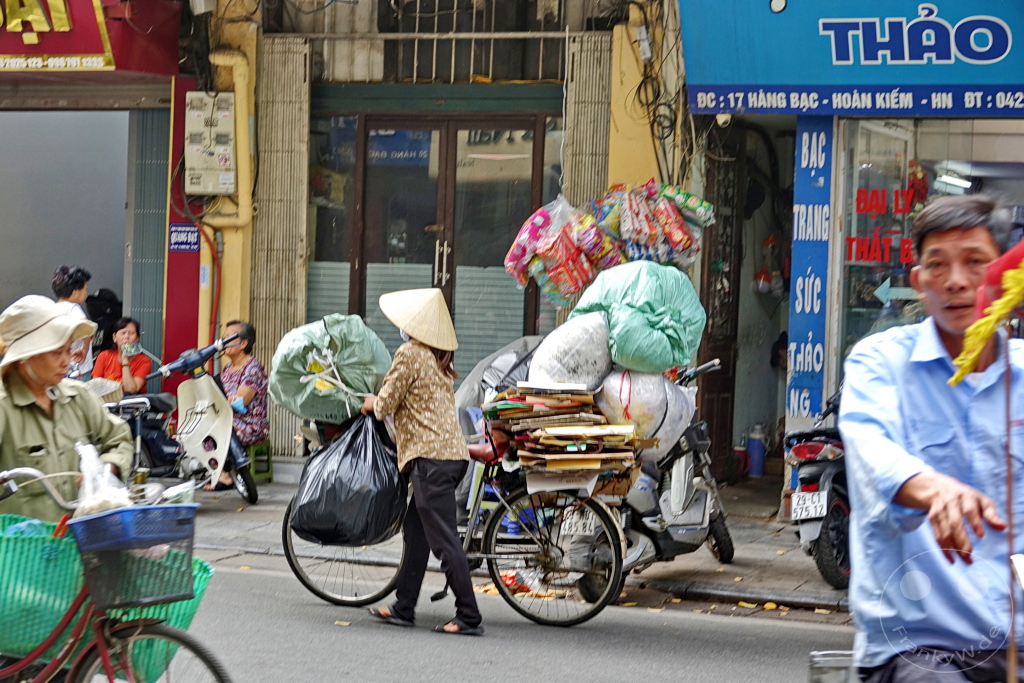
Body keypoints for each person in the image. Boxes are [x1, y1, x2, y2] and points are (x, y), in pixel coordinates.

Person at [838, 195, 1024, 681]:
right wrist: (935, 488)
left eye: (975, 262)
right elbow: (872, 450)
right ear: (919, 282)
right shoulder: (878, 363)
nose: (957, 281)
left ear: (1003, 277)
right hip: (919, 648)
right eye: (938, 265)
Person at [362, 288, 484, 636]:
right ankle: (404, 607)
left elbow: (385, 405)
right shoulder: (438, 357)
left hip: (430, 459)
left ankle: (469, 616)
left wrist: (370, 402)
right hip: (448, 457)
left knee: (445, 541)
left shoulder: (410, 353)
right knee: (416, 533)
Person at [0, 295, 133, 523]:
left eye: (67, 350)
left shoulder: (78, 396)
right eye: (55, 352)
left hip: (77, 544)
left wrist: (106, 468)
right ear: (25, 358)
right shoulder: (4, 405)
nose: (67, 361)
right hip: (20, 549)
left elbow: (119, 437)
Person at [205, 320, 268, 491]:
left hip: (249, 423)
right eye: (223, 337)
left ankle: (224, 474)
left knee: (214, 428)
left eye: (228, 338)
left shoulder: (252, 367)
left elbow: (241, 401)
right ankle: (216, 469)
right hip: (229, 420)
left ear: (243, 343)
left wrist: (222, 403)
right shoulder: (226, 369)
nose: (223, 342)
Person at [51, 265, 93, 378]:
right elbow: (85, 325)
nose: (85, 293)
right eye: (85, 289)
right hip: (78, 369)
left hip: (61, 368)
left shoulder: (53, 308)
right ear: (75, 292)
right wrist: (85, 348)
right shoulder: (73, 308)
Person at [90, 317, 151, 395]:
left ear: (136, 339)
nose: (126, 337)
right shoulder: (104, 356)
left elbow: (131, 390)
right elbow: (96, 387)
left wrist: (125, 362)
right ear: (114, 337)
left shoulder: (144, 361)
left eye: (131, 333)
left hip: (131, 404)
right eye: (123, 333)